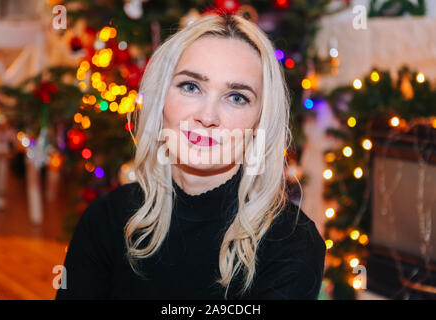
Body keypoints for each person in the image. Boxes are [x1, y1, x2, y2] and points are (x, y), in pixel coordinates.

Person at [56, 13, 326, 300]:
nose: (207, 117)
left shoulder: (293, 243)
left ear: (260, 123)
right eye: (191, 87)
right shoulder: (106, 220)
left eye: (237, 97)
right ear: (161, 99)